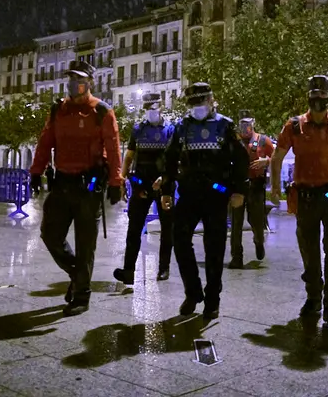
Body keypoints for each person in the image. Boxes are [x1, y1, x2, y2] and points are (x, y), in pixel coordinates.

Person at [269, 75, 328, 326]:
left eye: (323, 95)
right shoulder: (293, 126)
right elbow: (277, 157)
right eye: (315, 95)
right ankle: (313, 298)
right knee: (310, 255)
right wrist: (274, 188)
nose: (318, 100)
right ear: (308, 97)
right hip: (306, 199)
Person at [29, 60, 123, 316]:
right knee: (50, 235)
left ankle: (81, 295)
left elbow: (114, 150)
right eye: (70, 79)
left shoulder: (102, 112)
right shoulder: (57, 110)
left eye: (79, 79)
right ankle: (77, 273)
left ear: (89, 83)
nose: (74, 84)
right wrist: (36, 172)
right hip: (62, 183)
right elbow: (45, 142)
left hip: (88, 187)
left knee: (85, 243)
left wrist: (116, 182)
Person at [160, 82, 249, 319]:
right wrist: (166, 191)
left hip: (216, 194)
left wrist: (239, 190)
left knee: (215, 248)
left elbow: (241, 161)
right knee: (179, 240)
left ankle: (212, 299)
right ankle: (193, 291)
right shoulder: (182, 127)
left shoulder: (225, 126)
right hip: (188, 193)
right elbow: (169, 161)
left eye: (202, 101)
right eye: (193, 103)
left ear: (211, 100)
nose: (198, 107)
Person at [113, 93, 175, 284]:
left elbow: (174, 160)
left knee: (167, 228)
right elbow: (129, 157)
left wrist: (164, 178)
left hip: (164, 185)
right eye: (147, 109)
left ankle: (164, 269)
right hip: (141, 184)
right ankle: (128, 271)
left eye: (154, 108)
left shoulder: (170, 130)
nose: (151, 112)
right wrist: (122, 180)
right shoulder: (138, 129)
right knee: (134, 227)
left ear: (161, 108)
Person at [228, 109, 274, 269]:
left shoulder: (263, 140)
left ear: (253, 122)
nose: (245, 126)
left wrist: (266, 161)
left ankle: (258, 241)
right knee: (236, 223)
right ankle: (236, 257)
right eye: (242, 123)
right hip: (238, 187)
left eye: (248, 123)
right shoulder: (233, 142)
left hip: (256, 186)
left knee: (256, 221)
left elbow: (277, 157)